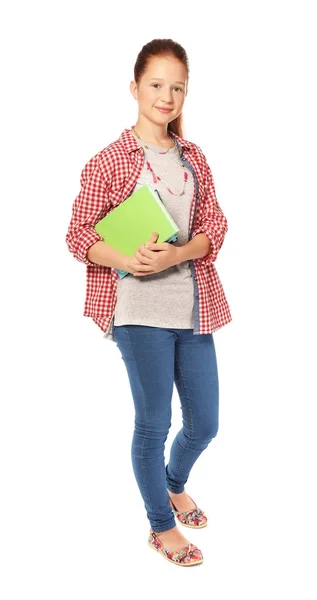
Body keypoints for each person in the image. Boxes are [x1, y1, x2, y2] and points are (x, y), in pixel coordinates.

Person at [66, 38, 232, 567]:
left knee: (205, 421)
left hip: (193, 306)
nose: (167, 96)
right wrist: (128, 258)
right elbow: (77, 234)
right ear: (135, 88)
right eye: (157, 85)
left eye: (177, 87)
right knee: (153, 422)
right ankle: (161, 525)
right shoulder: (110, 160)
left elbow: (215, 227)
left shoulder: (192, 157)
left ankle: (172, 484)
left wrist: (178, 252)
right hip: (138, 313)